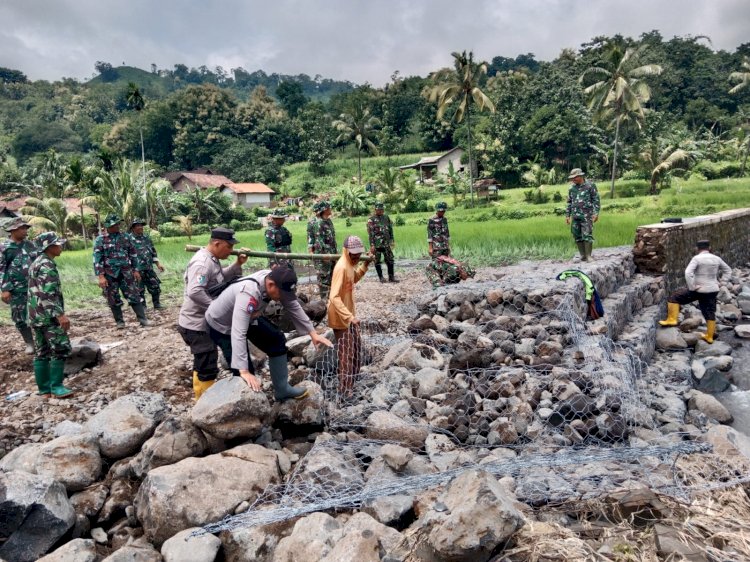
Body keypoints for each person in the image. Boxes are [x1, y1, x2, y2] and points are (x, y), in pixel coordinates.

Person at [205, 267, 332, 401]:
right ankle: (245, 406)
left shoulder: (275, 280)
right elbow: (238, 332)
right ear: (271, 285)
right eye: (282, 294)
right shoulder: (248, 293)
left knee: (276, 339)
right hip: (221, 325)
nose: (283, 298)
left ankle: (282, 389)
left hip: (249, 318)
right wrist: (244, 370)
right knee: (244, 371)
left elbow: (293, 305)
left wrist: (312, 333)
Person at [178, 227, 247, 399]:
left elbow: (220, 277)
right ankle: (204, 404)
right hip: (196, 325)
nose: (231, 251)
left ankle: (200, 397)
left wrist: (237, 264)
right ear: (217, 243)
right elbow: (195, 291)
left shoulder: (212, 259)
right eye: (229, 247)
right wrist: (217, 308)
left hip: (201, 322)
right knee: (207, 365)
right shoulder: (202, 263)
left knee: (202, 361)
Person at [659, 240, 732, 344]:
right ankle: (709, 336)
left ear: (697, 249)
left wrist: (692, 287)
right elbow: (728, 270)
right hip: (713, 289)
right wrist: (723, 282)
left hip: (699, 290)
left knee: (675, 297)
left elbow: (688, 273)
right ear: (709, 248)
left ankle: (672, 319)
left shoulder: (697, 258)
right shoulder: (717, 258)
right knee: (709, 311)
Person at [27, 232, 72, 398]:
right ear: (50, 247)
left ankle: (44, 389)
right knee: (60, 347)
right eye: (58, 244)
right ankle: (57, 387)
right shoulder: (47, 266)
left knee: (42, 350)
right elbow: (49, 294)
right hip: (48, 316)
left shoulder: (37, 262)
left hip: (36, 315)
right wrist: (60, 315)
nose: (60, 246)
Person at [328, 235, 370, 396]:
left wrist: (365, 265)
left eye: (359, 253)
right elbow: (334, 297)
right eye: (354, 254)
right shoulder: (341, 267)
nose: (357, 256)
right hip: (341, 318)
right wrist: (349, 317)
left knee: (356, 348)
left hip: (349, 315)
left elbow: (353, 280)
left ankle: (353, 380)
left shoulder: (351, 265)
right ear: (346, 251)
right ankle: (345, 388)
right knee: (346, 353)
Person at [93, 213, 150, 328]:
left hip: (126, 272)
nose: (117, 226)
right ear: (108, 226)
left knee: (134, 295)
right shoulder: (101, 239)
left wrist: (136, 270)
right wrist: (101, 276)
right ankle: (120, 322)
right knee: (113, 298)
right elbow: (97, 258)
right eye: (115, 224)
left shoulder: (125, 237)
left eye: (118, 224)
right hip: (110, 274)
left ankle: (143, 320)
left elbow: (133, 254)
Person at [0, 217, 40, 354]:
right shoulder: (5, 248)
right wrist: (5, 289)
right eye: (22, 228)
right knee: (19, 316)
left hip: (34, 286)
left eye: (25, 228)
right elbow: (1, 269)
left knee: (40, 314)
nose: (25, 231)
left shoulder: (30, 245)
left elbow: (38, 262)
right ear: (13, 230)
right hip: (16, 289)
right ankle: (29, 343)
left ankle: (42, 341)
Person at [565, 168, 600, 262]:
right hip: (575, 216)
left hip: (587, 215)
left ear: (580, 176)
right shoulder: (572, 188)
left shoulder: (590, 186)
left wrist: (596, 213)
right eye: (572, 178)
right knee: (576, 235)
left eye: (575, 177)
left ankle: (588, 255)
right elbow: (569, 202)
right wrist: (567, 215)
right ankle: (582, 255)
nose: (573, 179)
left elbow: (595, 199)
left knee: (587, 234)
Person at [129, 218, 165, 309]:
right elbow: (127, 256)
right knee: (139, 289)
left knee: (155, 285)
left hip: (148, 268)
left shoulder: (146, 238)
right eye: (138, 226)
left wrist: (158, 264)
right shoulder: (129, 239)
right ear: (133, 228)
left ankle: (157, 304)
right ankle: (143, 307)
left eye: (141, 225)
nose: (141, 227)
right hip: (137, 269)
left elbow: (153, 251)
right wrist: (133, 270)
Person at [307, 200, 337, 300]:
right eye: (329, 208)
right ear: (324, 210)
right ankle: (324, 300)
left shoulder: (328, 221)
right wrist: (323, 256)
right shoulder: (319, 223)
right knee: (324, 277)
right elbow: (319, 242)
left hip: (331, 254)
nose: (330, 209)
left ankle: (331, 298)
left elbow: (332, 239)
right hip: (323, 256)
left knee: (332, 276)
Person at [367, 202, 397, 283]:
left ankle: (391, 277)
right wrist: (372, 245)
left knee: (390, 259)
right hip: (377, 244)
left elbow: (390, 230)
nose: (381, 211)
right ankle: (381, 278)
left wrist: (392, 240)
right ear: (375, 209)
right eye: (379, 209)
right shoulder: (371, 219)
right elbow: (370, 234)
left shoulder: (386, 217)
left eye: (382, 209)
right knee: (377, 261)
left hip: (386, 243)